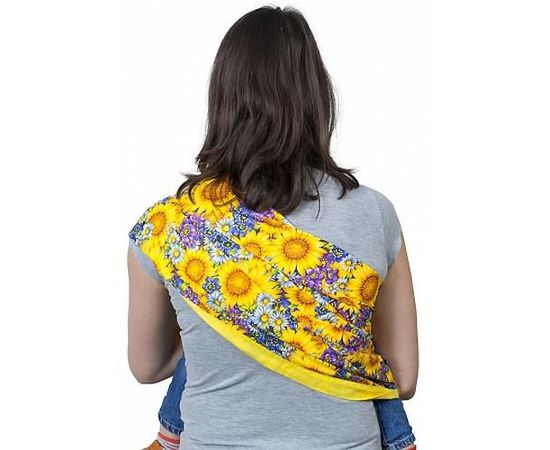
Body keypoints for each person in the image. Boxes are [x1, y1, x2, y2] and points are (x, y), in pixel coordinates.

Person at [127, 5, 419, 450]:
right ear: (318, 97)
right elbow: (404, 376)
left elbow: (147, 367)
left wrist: (221, 317)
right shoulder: (374, 213)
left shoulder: (166, 227)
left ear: (221, 100)